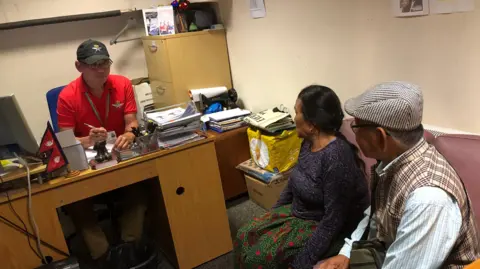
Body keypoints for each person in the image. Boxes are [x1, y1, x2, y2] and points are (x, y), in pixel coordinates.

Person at [320, 81, 480, 269]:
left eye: (356, 127)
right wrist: (347, 253)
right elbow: (377, 213)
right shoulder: (393, 160)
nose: (354, 133)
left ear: (379, 136)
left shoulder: (428, 199)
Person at [234, 85, 370, 269]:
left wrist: (301, 264)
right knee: (244, 234)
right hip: (301, 212)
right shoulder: (308, 143)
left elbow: (332, 221)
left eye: (296, 112)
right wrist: (272, 216)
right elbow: (293, 183)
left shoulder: (336, 157)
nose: (293, 117)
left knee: (257, 258)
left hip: (324, 226)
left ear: (312, 125)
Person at [57, 39, 147, 268]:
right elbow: (65, 140)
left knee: (140, 184)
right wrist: (87, 139)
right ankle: (103, 255)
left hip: (119, 155)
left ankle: (130, 247)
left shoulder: (122, 83)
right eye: (93, 64)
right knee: (76, 201)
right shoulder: (67, 96)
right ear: (79, 66)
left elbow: (132, 121)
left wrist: (130, 134)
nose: (101, 69)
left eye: (105, 63)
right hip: (87, 162)